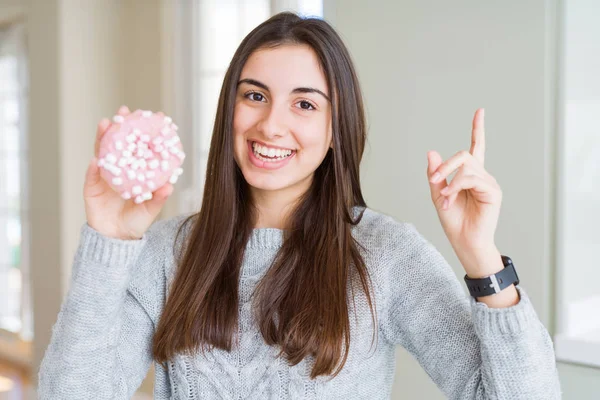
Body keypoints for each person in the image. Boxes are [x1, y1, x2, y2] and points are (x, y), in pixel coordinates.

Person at [37, 11, 562, 399]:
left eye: (305, 104)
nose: (270, 125)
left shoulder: (386, 255)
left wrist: (482, 260)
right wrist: (109, 240)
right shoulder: (168, 251)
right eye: (255, 95)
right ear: (231, 111)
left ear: (337, 129)